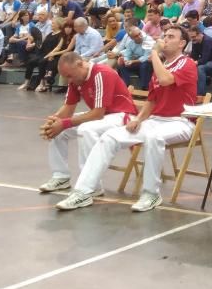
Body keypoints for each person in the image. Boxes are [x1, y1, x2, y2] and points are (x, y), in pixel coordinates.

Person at [55, 27, 198, 211]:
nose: (165, 39)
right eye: (165, 36)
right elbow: (152, 100)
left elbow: (165, 80)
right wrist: (138, 119)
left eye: (171, 37)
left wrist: (154, 53)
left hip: (180, 122)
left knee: (154, 137)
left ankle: (151, 194)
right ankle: (84, 192)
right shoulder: (160, 67)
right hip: (155, 121)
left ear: (182, 44)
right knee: (109, 137)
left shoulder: (186, 63)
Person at [37, 52, 138, 194]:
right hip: (104, 117)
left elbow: (97, 114)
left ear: (80, 64)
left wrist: (64, 123)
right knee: (58, 129)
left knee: (86, 129)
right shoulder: (75, 79)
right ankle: (61, 176)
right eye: (66, 77)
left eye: (70, 76)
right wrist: (53, 122)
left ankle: (91, 186)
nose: (69, 80)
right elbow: (68, 108)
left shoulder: (102, 74)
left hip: (123, 117)